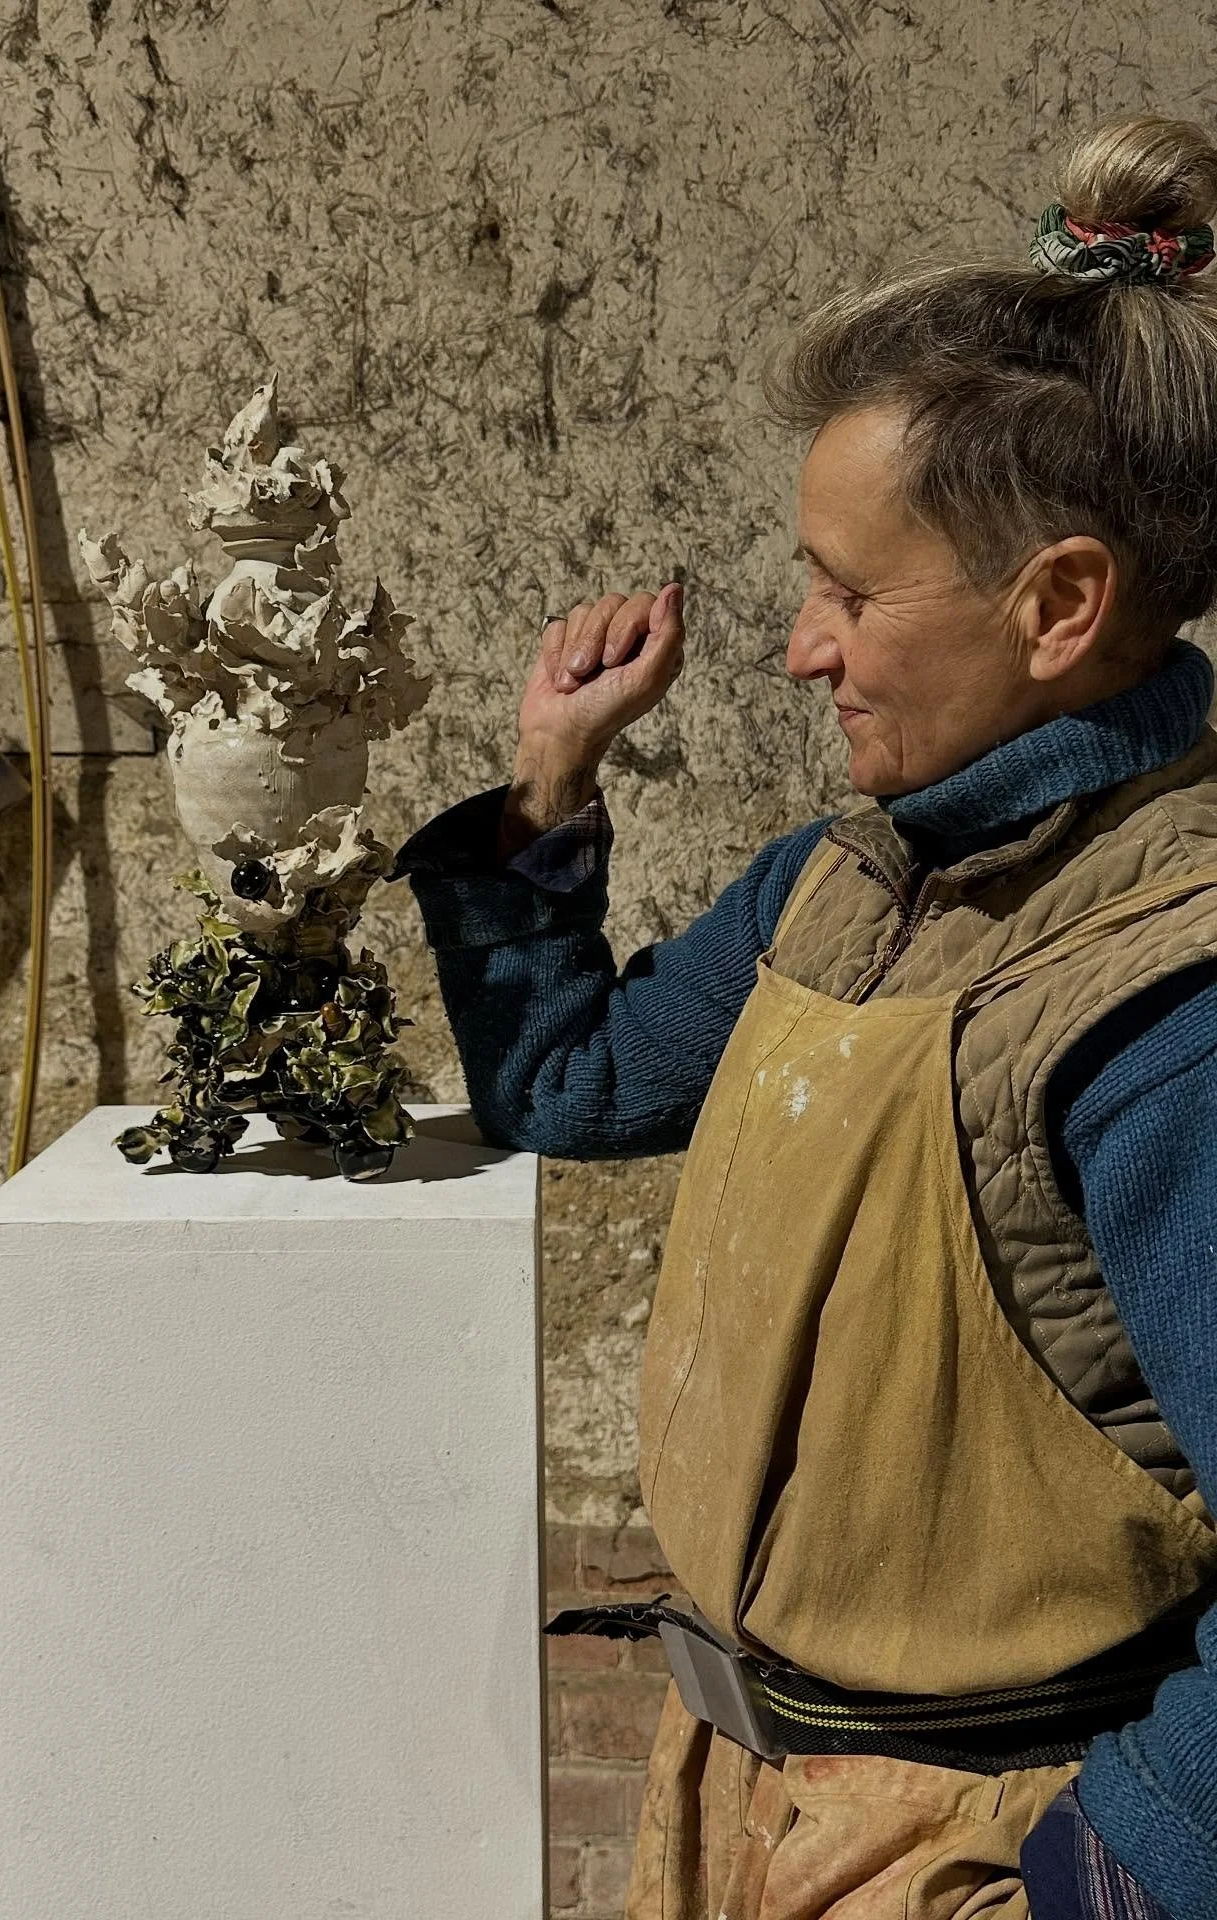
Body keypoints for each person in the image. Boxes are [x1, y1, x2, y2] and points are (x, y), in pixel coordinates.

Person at [396, 115, 1217, 1920]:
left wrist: (1116, 1874)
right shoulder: (839, 883)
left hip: (984, 1849)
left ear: (1062, 602)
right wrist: (548, 782)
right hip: (753, 1804)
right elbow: (573, 1085)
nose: (800, 645)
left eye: (852, 591)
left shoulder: (1173, 1003)